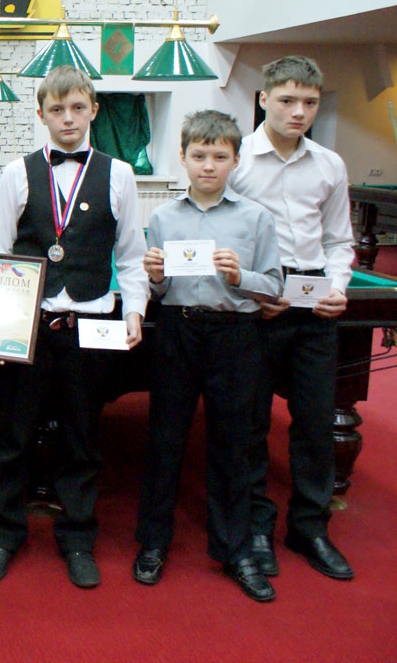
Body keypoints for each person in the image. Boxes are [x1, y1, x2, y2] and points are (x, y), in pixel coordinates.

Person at [0, 65, 149, 589]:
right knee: (12, 438)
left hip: (92, 325)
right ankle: (3, 535)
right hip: (27, 326)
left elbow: (132, 256)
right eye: (56, 109)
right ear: (41, 114)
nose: (67, 118)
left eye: (76, 107)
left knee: (82, 439)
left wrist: (135, 311)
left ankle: (77, 540)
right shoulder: (16, 172)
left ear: (93, 109)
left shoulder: (120, 175)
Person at [132, 110, 282, 602]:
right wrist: (155, 276)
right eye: (199, 155)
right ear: (183, 157)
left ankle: (236, 550)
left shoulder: (256, 217)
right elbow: (158, 291)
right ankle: (153, 542)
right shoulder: (163, 217)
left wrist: (242, 277)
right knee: (164, 440)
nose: (209, 165)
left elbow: (274, 286)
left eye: (219, 156)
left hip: (235, 334)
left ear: (235, 160)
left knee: (233, 445)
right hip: (177, 331)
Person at [228, 55, 357, 581]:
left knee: (315, 423)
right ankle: (257, 527)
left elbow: (339, 240)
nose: (298, 111)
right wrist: (251, 292)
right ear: (264, 100)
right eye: (286, 100)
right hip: (259, 304)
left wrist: (339, 287)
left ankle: (310, 527)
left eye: (309, 102)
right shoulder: (236, 160)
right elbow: (222, 236)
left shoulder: (330, 165)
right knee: (251, 423)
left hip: (315, 302)